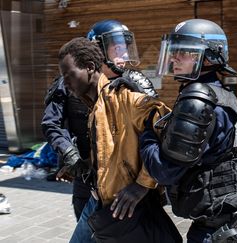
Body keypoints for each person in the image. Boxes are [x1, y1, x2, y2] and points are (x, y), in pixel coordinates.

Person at [139, 19, 237, 243]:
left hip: (217, 226)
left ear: (209, 56)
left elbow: (163, 171)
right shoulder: (220, 93)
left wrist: (146, 133)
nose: (174, 57)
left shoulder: (199, 100)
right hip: (230, 213)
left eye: (184, 51)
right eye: (173, 50)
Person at [58, 37, 180, 243]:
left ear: (89, 67)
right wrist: (85, 166)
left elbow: (171, 131)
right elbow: (116, 156)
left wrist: (143, 183)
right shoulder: (96, 106)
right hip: (100, 206)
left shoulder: (123, 97)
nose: (65, 83)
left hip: (126, 213)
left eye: (69, 75)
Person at [41, 19, 158, 221]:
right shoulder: (68, 82)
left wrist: (143, 183)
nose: (123, 55)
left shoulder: (136, 83)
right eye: (117, 48)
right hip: (85, 176)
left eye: (125, 48)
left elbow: (154, 135)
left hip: (124, 183)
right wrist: (69, 153)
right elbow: (51, 123)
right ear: (99, 50)